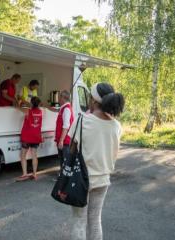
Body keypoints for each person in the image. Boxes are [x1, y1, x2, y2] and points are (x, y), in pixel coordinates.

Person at [69, 82, 124, 240]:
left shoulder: (82, 121)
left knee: (79, 221)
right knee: (95, 221)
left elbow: (72, 150)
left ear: (93, 100)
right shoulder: (116, 126)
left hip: (82, 180)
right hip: (103, 180)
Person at [16, 97, 43, 181]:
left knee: (23, 155)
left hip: (27, 136)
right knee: (34, 155)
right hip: (36, 136)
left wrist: (19, 101)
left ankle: (25, 174)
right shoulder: (40, 112)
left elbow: (17, 107)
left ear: (31, 103)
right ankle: (34, 174)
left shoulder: (28, 111)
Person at [48, 90, 75, 171]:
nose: (59, 99)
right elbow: (55, 110)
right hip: (63, 139)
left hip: (65, 140)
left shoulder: (66, 109)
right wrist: (47, 107)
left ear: (63, 98)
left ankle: (65, 178)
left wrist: (61, 140)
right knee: (62, 160)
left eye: (60, 97)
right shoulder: (63, 108)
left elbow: (66, 126)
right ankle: (62, 176)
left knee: (65, 160)